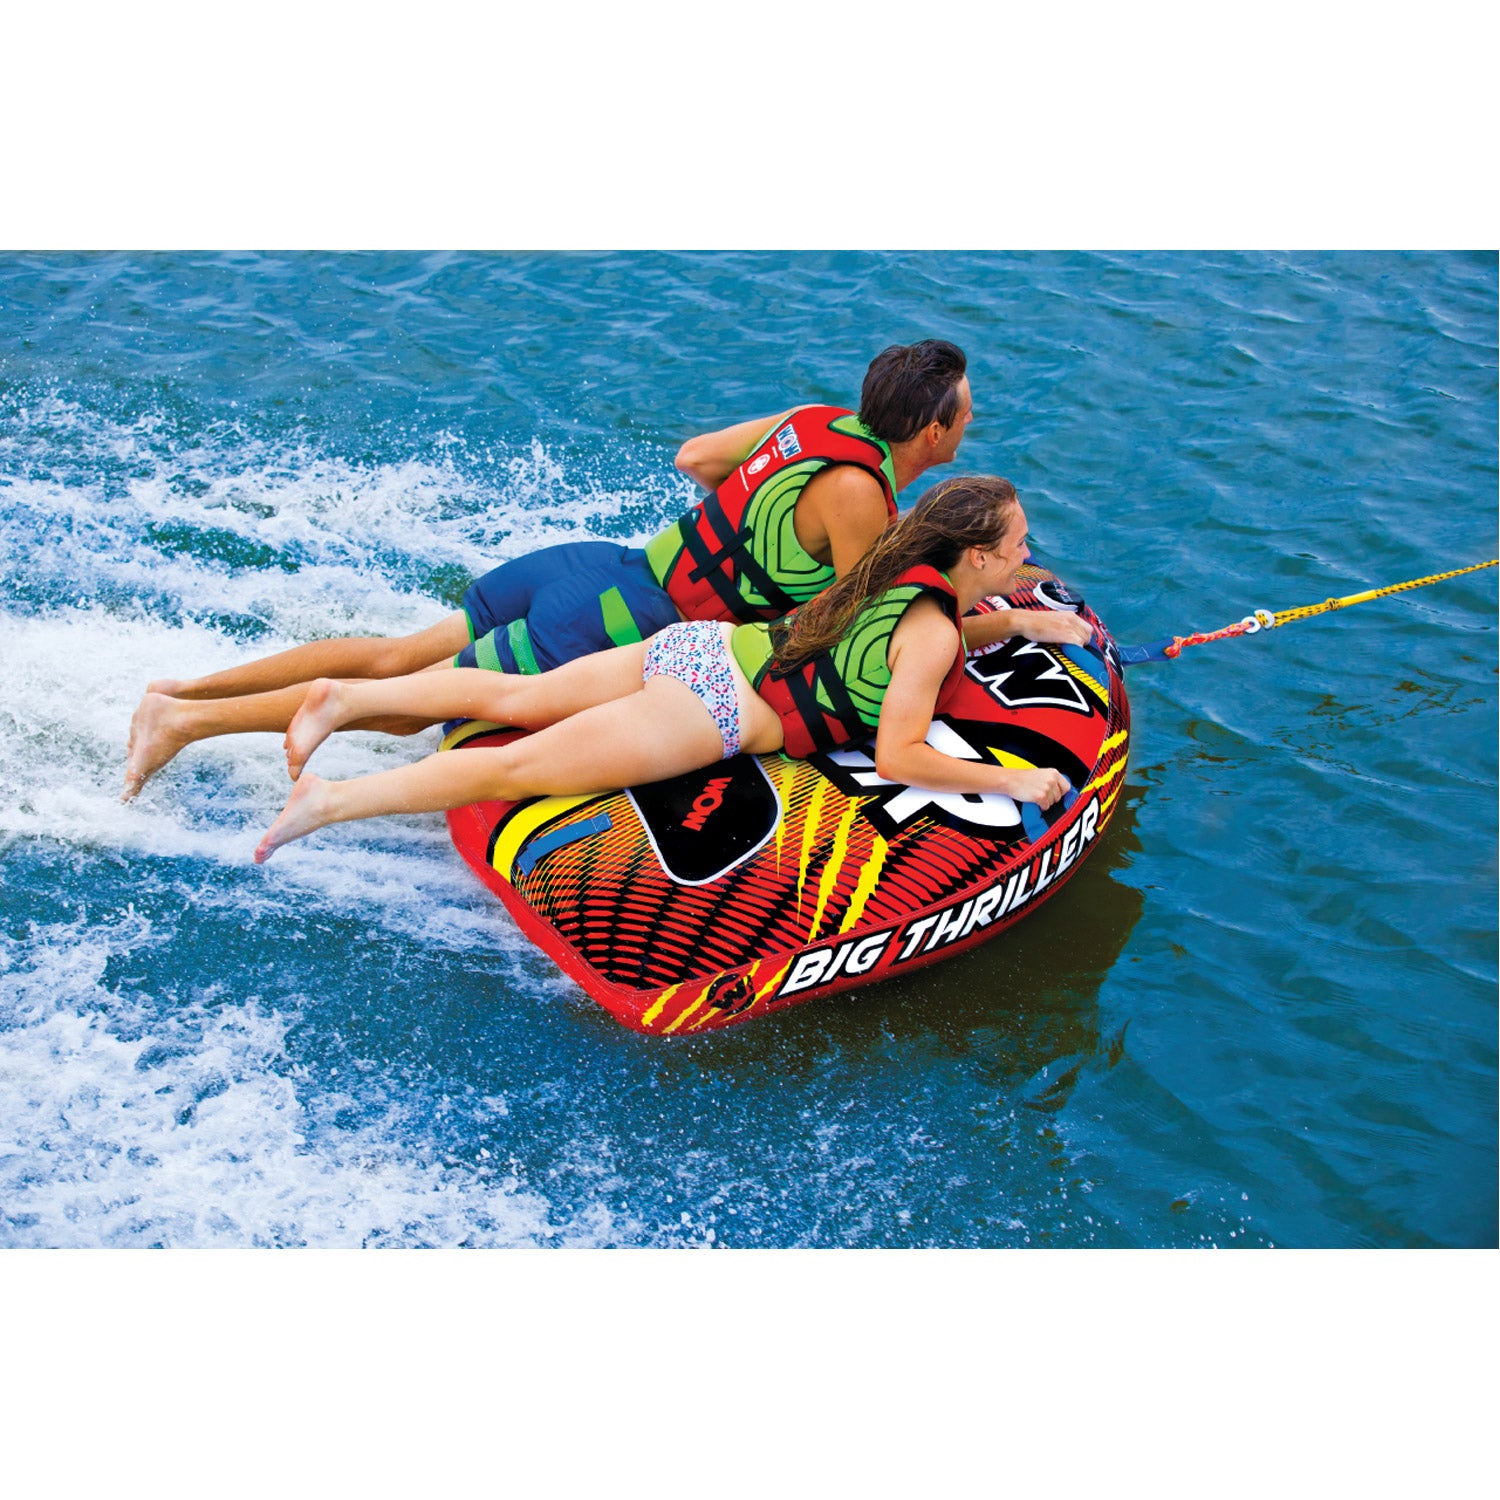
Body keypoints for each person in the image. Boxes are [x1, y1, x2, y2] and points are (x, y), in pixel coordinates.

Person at [124, 339, 974, 800]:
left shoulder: (816, 422)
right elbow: (850, 623)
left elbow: (696, 459)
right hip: (618, 623)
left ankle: (183, 691)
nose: (971, 421)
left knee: (394, 654)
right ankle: (185, 724)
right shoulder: (861, 497)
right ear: (932, 433)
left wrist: (750, 537)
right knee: (408, 704)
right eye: (965, 411)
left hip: (605, 566)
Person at [248, 476, 1094, 864]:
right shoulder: (935, 634)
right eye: (1018, 545)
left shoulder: (891, 560)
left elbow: (912, 637)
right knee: (516, 767)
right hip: (713, 709)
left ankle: (344, 697)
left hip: (701, 646)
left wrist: (1026, 621)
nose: (1028, 552)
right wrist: (1017, 782)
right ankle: (330, 802)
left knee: (519, 696)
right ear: (977, 559)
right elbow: (902, 756)